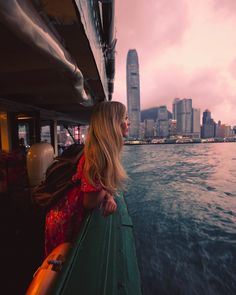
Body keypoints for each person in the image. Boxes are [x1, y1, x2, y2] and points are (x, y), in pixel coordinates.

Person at [45, 101, 129, 256]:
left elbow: (98, 187)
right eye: (124, 118)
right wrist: (107, 193)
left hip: (63, 214)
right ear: (113, 124)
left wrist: (108, 195)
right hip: (65, 221)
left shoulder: (98, 152)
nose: (128, 122)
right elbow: (89, 202)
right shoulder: (99, 158)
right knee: (59, 270)